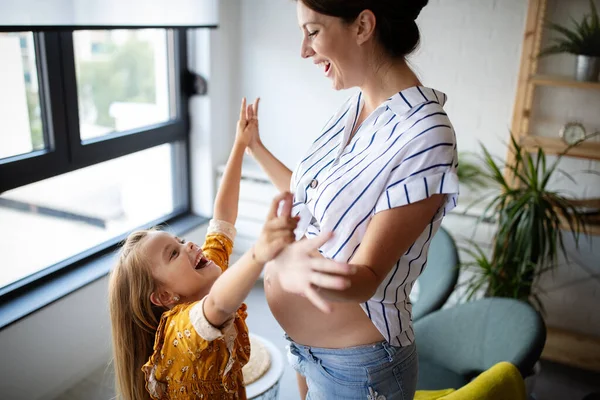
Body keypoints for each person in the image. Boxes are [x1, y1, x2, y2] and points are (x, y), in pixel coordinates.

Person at [243, 1, 460, 399]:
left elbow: (366, 279)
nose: (303, 51)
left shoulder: (425, 134)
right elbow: (316, 200)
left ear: (362, 25)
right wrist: (254, 146)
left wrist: (284, 264)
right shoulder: (355, 105)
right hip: (308, 350)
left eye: (312, 31)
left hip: (359, 370)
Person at [108, 98, 354, 400]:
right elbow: (218, 306)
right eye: (173, 254)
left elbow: (222, 218)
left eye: (180, 242)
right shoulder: (178, 332)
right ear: (164, 297)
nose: (189, 247)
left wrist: (241, 144)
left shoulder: (207, 272)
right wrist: (259, 253)